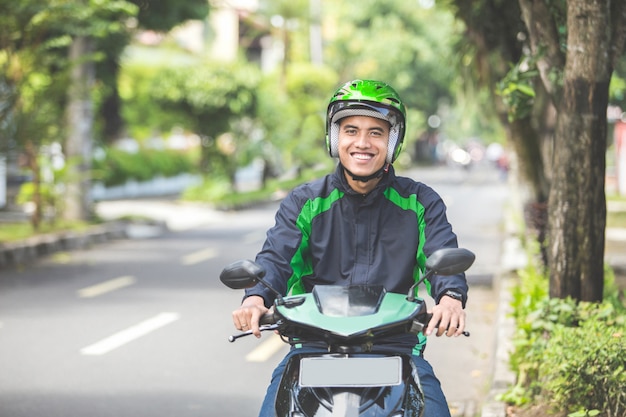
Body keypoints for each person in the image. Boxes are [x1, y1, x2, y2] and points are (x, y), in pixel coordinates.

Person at [231, 79, 468, 417]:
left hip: (394, 349)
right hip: (313, 349)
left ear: (393, 140)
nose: (362, 143)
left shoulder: (420, 201)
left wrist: (451, 298)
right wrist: (255, 298)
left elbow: (441, 254)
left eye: (376, 132)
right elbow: (276, 257)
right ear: (334, 137)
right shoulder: (306, 201)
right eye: (351, 130)